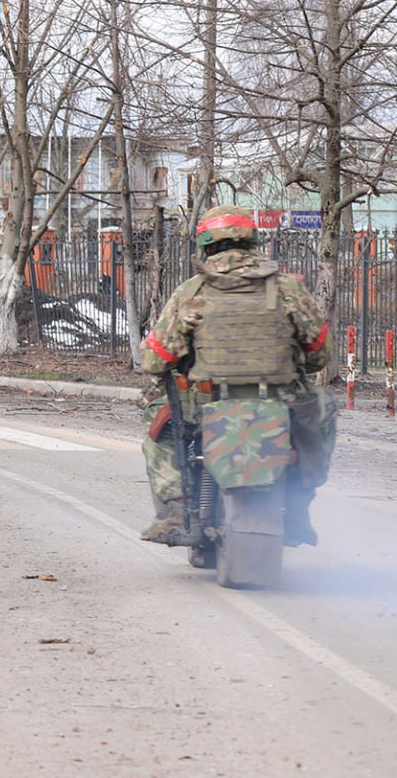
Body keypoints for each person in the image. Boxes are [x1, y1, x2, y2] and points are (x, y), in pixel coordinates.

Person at [138, 205, 337, 547]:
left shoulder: (192, 292)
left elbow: (155, 359)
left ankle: (176, 512)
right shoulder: (288, 288)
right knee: (325, 411)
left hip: (206, 402)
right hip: (283, 402)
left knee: (156, 423)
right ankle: (299, 506)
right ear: (253, 241)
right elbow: (320, 354)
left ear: (206, 244)